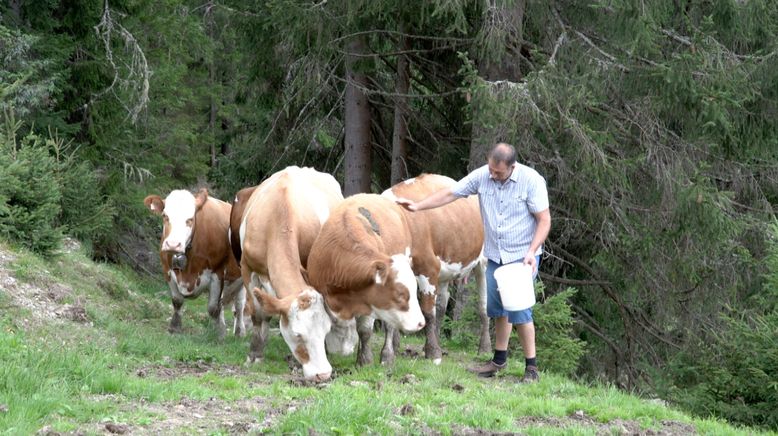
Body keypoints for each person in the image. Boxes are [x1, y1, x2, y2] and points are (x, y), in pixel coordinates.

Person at [395, 143, 551, 383]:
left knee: (519, 311)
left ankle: (532, 368)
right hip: (495, 254)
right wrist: (418, 206)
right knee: (498, 310)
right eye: (491, 169)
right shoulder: (483, 175)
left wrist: (532, 252)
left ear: (512, 167)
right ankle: (499, 360)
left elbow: (544, 220)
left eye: (498, 172)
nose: (492, 175)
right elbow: (451, 193)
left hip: (521, 257)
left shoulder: (532, 181)